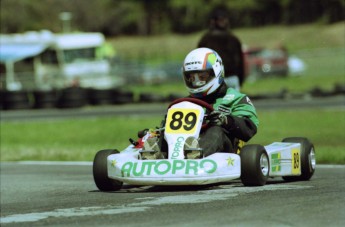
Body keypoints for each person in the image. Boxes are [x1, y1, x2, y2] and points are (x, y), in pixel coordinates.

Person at [140, 48, 259, 159]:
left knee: (216, 130)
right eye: (191, 78)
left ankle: (195, 155)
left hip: (227, 152)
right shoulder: (186, 104)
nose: (196, 82)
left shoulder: (235, 98)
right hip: (183, 149)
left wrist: (226, 121)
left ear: (217, 72)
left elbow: (249, 128)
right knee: (164, 134)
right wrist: (156, 132)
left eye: (202, 77)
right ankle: (156, 156)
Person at [198, 6, 244, 91]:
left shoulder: (206, 39)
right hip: (228, 78)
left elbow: (200, 62)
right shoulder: (233, 38)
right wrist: (240, 79)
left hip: (215, 79)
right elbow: (240, 62)